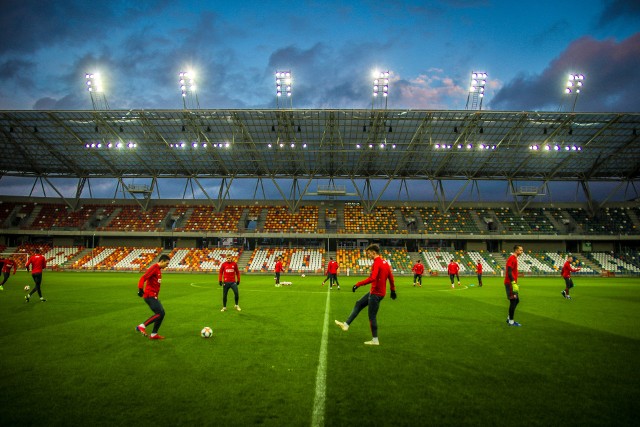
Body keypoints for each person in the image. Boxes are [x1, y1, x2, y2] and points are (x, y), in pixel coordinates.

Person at [335, 244, 396, 346]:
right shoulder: (385, 263)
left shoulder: (377, 263)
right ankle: (346, 325)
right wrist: (393, 290)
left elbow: (372, 278)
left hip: (376, 294)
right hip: (377, 292)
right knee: (359, 303)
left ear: (374, 252)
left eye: (368, 253)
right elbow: (391, 277)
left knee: (372, 316)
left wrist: (358, 284)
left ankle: (375, 340)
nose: (368, 255)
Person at [136, 254, 171, 340]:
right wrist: (140, 289)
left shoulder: (158, 269)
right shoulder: (154, 267)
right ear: (162, 261)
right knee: (160, 313)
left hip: (153, 296)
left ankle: (154, 334)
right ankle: (142, 326)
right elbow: (143, 278)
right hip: (149, 295)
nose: (167, 265)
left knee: (162, 314)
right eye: (166, 263)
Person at [504, 245, 524, 327]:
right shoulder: (512, 258)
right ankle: (511, 321)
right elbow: (509, 271)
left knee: (517, 300)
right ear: (516, 250)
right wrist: (513, 282)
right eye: (520, 250)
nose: (522, 252)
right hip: (510, 283)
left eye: (522, 250)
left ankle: (509, 318)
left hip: (512, 283)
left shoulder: (514, 258)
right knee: (513, 301)